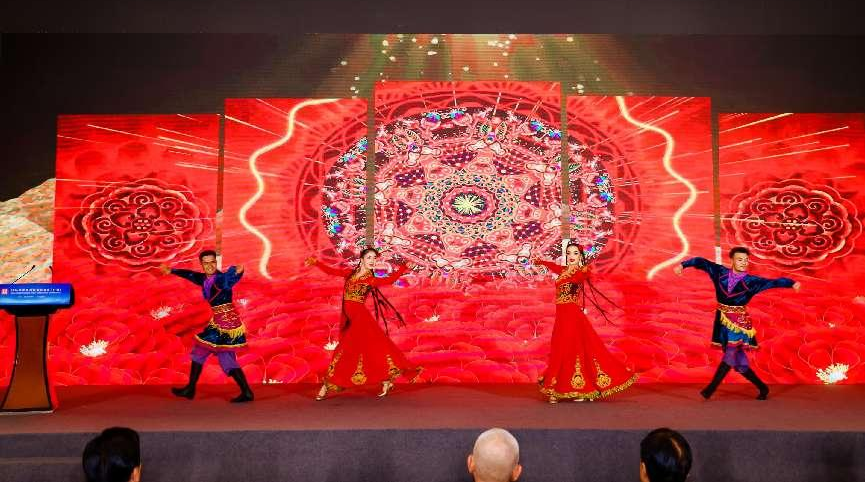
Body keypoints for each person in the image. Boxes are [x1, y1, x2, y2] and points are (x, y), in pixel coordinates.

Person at [674, 246, 801, 400]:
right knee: (739, 362)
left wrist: (791, 283)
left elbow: (773, 282)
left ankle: (709, 390)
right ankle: (763, 388)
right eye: (740, 259)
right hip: (722, 320)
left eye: (746, 260)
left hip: (738, 322)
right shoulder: (719, 272)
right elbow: (701, 261)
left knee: (730, 354)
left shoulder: (752, 281)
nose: (744, 263)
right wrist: (683, 265)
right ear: (732, 260)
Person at [306, 248, 421, 400]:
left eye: (374, 258)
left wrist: (403, 267)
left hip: (361, 319)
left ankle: (326, 386)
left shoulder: (370, 280)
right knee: (371, 349)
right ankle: (386, 381)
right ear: (362, 259)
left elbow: (390, 280)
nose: (372, 261)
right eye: (369, 258)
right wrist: (316, 263)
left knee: (345, 350)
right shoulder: (350, 274)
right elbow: (331, 271)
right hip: (350, 319)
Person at [533, 243, 637, 403]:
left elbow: (580, 277)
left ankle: (580, 389)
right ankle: (560, 387)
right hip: (561, 316)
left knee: (572, 347)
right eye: (569, 253)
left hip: (572, 316)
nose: (571, 256)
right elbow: (554, 266)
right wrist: (540, 261)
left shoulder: (581, 271)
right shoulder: (563, 270)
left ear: (580, 256)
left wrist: (582, 270)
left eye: (575, 253)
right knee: (560, 347)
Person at [159, 249, 254, 403]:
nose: (209, 266)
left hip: (227, 324)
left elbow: (230, 278)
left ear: (216, 263)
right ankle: (190, 389)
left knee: (223, 358)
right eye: (206, 263)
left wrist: (237, 271)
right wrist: (171, 271)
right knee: (201, 352)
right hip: (218, 322)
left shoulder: (222, 279)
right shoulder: (203, 279)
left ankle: (246, 392)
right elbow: (190, 274)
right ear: (202, 264)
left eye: (212, 262)